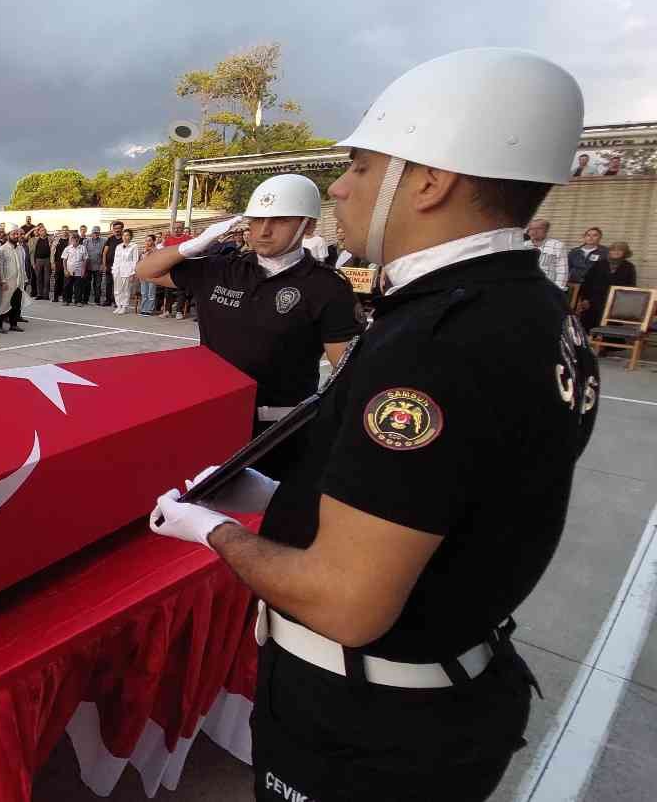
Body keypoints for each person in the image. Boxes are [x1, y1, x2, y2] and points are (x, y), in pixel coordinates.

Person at [149, 48, 596, 802]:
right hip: (444, 698)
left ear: (431, 180)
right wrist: (266, 495)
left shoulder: (432, 343)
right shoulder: (527, 308)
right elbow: (445, 495)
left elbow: (346, 601)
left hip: (363, 730)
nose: (340, 187)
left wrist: (211, 531)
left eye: (360, 165)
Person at [138, 173, 363, 480]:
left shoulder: (327, 287)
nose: (264, 231)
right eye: (257, 221)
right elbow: (146, 270)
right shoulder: (221, 269)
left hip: (278, 431)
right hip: (211, 415)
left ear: (308, 226)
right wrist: (193, 245)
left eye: (280, 221)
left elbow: (346, 371)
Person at [577, 241, 637, 333]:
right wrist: (585, 299)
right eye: (613, 250)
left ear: (625, 253)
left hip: (616, 303)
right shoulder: (599, 264)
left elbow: (631, 287)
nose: (616, 252)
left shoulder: (629, 267)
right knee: (588, 323)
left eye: (620, 250)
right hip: (594, 301)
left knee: (612, 329)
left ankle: (608, 346)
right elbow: (587, 282)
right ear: (609, 251)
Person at [0, 228, 27, 332]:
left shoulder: (20, 249)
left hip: (18, 281)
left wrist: (24, 279)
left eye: (17, 234)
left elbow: (22, 265)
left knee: (16, 304)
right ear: (8, 235)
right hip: (7, 281)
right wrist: (2, 281)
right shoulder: (3, 249)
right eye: (14, 234)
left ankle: (13, 324)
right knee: (3, 304)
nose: (16, 236)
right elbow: (0, 266)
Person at [523, 218, 567, 290]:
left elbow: (562, 270)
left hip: (547, 288)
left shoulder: (557, 245)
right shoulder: (523, 245)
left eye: (539, 228)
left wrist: (557, 291)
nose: (534, 231)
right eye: (531, 229)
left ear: (546, 230)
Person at [110, 229, 140, 314]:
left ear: (131, 237)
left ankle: (124, 306)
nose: (125, 237)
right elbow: (116, 259)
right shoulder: (118, 246)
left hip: (127, 270)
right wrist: (114, 271)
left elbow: (135, 260)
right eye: (124, 235)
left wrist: (133, 273)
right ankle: (118, 305)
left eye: (127, 235)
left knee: (126, 290)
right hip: (118, 270)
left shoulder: (134, 246)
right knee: (117, 289)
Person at [101, 221, 126, 307]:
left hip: (120, 267)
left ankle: (117, 301)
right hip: (109, 266)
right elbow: (104, 253)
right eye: (115, 228)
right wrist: (104, 265)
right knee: (108, 284)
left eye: (119, 228)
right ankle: (108, 300)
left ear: (122, 229)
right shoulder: (110, 239)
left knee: (118, 284)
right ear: (113, 229)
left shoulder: (124, 239)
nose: (117, 230)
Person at [61, 230, 89, 306]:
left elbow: (85, 260)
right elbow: (64, 260)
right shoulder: (67, 248)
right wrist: (65, 270)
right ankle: (66, 300)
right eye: (73, 238)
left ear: (78, 239)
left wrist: (83, 271)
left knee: (78, 287)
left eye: (76, 238)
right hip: (69, 271)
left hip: (79, 271)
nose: (75, 240)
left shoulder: (83, 248)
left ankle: (78, 301)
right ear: (71, 239)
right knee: (67, 286)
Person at [137, 235, 159, 314]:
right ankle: (143, 309)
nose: (147, 242)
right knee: (144, 292)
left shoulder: (156, 251)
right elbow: (140, 262)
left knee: (151, 292)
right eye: (146, 240)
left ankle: (149, 310)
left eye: (149, 240)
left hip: (152, 274)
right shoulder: (143, 251)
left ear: (153, 241)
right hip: (143, 274)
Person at [30, 227, 52, 300]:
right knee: (38, 278)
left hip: (47, 260)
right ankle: (39, 294)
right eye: (42, 230)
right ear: (39, 232)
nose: (44, 232)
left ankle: (46, 295)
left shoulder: (49, 239)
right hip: (38, 260)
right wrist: (33, 263)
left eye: (45, 230)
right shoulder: (36, 240)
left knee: (47, 278)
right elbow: (32, 253)